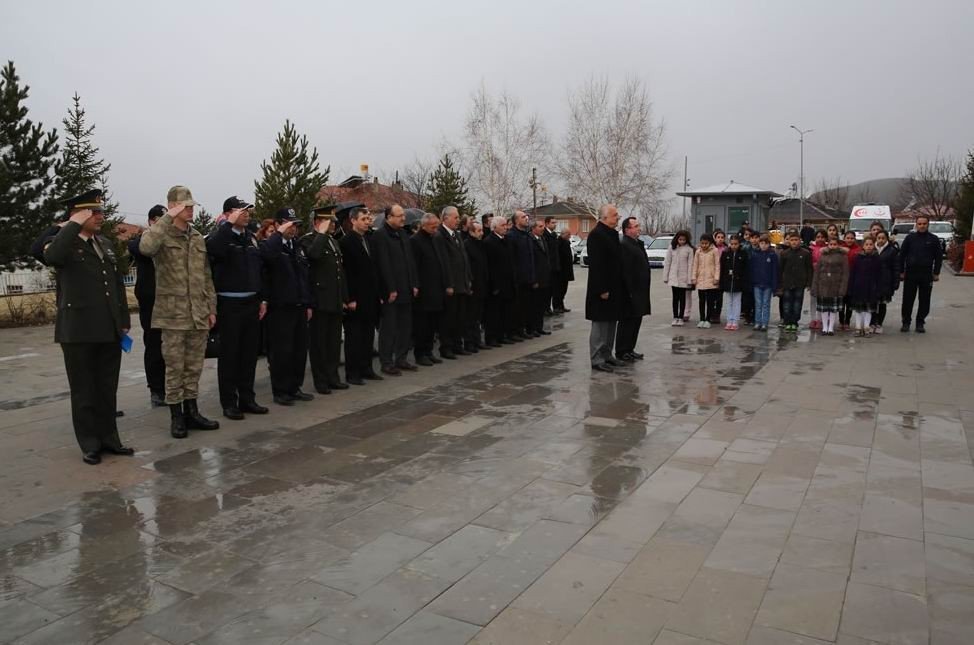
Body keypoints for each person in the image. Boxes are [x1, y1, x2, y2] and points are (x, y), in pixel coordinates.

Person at [43, 189, 134, 465]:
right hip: (79, 330)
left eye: (100, 212)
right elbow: (53, 257)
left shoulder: (104, 243)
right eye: (92, 212)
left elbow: (116, 284)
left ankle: (110, 439)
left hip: (108, 328)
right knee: (83, 390)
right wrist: (71, 225)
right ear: (77, 214)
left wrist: (124, 320)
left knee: (107, 388)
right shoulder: (62, 243)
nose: (99, 217)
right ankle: (90, 443)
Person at [138, 185, 219, 438]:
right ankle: (176, 416)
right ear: (174, 206)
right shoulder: (161, 235)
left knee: (193, 367)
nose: (191, 209)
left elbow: (206, 276)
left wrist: (211, 307)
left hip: (198, 313)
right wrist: (167, 217)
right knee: (174, 367)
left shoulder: (196, 237)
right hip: (173, 316)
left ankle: (192, 411)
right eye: (186, 206)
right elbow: (146, 247)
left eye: (192, 205)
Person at [206, 196, 269, 419]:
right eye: (241, 210)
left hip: (251, 303)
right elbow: (213, 250)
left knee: (249, 354)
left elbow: (259, 270)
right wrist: (227, 224)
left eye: (247, 210)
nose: (246, 213)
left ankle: (247, 398)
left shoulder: (250, 238)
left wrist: (262, 299)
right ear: (229, 213)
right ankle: (229, 402)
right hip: (229, 304)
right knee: (230, 355)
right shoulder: (220, 236)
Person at [259, 208, 314, 405]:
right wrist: (279, 234)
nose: (294, 228)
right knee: (281, 351)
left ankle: (294, 387)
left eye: (296, 224)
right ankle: (281, 391)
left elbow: (304, 276)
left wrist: (307, 302)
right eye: (291, 224)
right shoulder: (271, 245)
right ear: (280, 223)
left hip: (299, 305)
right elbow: (266, 257)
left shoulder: (296, 246)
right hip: (280, 307)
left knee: (299, 350)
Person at [302, 204, 350, 392]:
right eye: (329, 221)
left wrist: (344, 297)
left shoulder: (333, 241)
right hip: (319, 300)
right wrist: (321, 234)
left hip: (334, 299)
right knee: (319, 344)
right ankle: (320, 380)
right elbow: (313, 256)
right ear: (318, 222)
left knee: (333, 342)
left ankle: (333, 377)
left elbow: (340, 271)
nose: (333, 225)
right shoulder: (308, 240)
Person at [372, 203, 419, 375]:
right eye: (399, 215)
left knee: (405, 327)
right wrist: (390, 289)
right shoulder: (380, 236)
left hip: (407, 288)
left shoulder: (403, 234)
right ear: (389, 217)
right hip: (391, 291)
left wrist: (414, 283)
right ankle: (386, 362)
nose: (403, 218)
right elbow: (383, 265)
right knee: (389, 328)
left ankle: (401, 358)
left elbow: (410, 262)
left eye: (403, 215)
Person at [128, 204, 167, 406]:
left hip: (170, 301)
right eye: (162, 219)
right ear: (152, 220)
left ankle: (170, 385)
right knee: (154, 345)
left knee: (171, 346)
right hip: (151, 303)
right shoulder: (139, 242)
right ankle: (156, 389)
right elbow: (142, 250)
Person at [340, 207, 382, 383]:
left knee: (368, 336)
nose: (367, 221)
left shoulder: (370, 239)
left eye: (368, 218)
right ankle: (353, 373)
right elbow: (346, 273)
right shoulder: (346, 242)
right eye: (363, 219)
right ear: (353, 220)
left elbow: (375, 269)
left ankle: (367, 368)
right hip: (356, 298)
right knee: (354, 338)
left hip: (371, 296)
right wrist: (350, 298)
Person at [586, 204, 624, 373]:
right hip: (601, 288)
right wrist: (602, 289)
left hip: (614, 286)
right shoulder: (596, 235)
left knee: (611, 323)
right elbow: (597, 265)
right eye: (615, 215)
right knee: (600, 324)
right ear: (605, 217)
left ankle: (607, 355)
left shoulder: (612, 234)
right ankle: (596, 359)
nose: (618, 217)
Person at [434, 206, 473, 357]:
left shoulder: (456, 235)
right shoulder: (440, 236)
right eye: (455, 217)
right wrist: (448, 284)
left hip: (461, 283)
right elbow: (444, 262)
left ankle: (457, 344)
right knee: (448, 318)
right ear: (445, 218)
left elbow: (464, 258)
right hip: (451, 285)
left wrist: (468, 278)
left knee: (460, 317)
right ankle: (446, 347)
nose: (458, 220)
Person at [410, 213, 446, 365]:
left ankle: (429, 351)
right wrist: (416, 285)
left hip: (436, 288)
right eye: (433, 227)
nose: (436, 229)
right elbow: (414, 266)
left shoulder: (435, 239)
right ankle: (420, 353)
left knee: (432, 323)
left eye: (436, 226)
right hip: (424, 290)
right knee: (422, 324)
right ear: (424, 225)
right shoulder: (415, 241)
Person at [899, 215, 942, 333]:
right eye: (920, 224)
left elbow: (938, 257)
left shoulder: (933, 239)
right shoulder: (910, 238)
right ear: (916, 224)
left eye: (924, 224)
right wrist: (901, 271)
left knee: (924, 300)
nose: (922, 226)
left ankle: (920, 323)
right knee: (908, 299)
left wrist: (936, 272)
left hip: (926, 274)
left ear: (928, 224)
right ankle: (906, 322)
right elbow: (902, 255)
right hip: (911, 273)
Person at [616, 217, 650, 361]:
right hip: (630, 291)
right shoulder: (624, 245)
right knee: (627, 322)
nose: (638, 228)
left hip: (640, 290)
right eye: (635, 226)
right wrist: (629, 290)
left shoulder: (637, 244)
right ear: (627, 230)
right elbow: (626, 271)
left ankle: (630, 348)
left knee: (636, 320)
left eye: (638, 225)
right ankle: (622, 350)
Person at [483, 216, 517, 346]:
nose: (506, 228)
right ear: (494, 227)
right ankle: (492, 337)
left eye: (506, 225)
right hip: (496, 284)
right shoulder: (489, 242)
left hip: (508, 282)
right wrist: (493, 285)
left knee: (506, 312)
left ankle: (503, 335)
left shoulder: (507, 240)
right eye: (503, 225)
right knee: (493, 313)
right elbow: (489, 266)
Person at [777, 230, 814, 332]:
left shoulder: (806, 253)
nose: (794, 242)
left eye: (796, 240)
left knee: (797, 304)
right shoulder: (784, 254)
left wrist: (809, 283)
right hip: (787, 283)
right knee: (787, 304)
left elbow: (809, 269)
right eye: (792, 240)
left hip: (799, 283)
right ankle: (787, 322)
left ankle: (794, 322)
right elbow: (780, 269)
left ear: (800, 241)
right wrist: (780, 283)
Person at [811, 237, 848, 336]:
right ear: (828, 245)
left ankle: (831, 327)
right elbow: (817, 271)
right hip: (823, 285)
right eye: (831, 244)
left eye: (835, 244)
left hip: (836, 285)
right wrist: (815, 286)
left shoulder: (842, 256)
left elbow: (845, 273)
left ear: (838, 245)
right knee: (824, 308)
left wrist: (843, 288)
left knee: (832, 309)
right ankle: (824, 327)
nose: (832, 246)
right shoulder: (823, 255)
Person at [508, 210, 536, 338]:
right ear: (516, 221)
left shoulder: (527, 235)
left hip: (528, 277)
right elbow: (512, 260)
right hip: (518, 278)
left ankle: (526, 328)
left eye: (526, 216)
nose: (526, 218)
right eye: (523, 217)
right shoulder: (512, 236)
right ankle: (516, 330)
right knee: (517, 307)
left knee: (527, 305)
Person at [463, 221, 490, 351]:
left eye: (482, 230)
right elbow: (467, 267)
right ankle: (469, 342)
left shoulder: (481, 244)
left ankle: (477, 340)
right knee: (471, 316)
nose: (481, 233)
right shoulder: (467, 245)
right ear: (471, 232)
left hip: (482, 284)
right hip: (473, 285)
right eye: (478, 231)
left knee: (478, 315)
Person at [848, 235, 882, 337]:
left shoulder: (877, 258)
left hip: (871, 288)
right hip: (858, 287)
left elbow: (880, 274)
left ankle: (866, 328)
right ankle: (858, 328)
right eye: (866, 244)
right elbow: (853, 273)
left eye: (871, 244)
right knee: (858, 309)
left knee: (868, 309)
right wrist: (851, 287)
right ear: (863, 246)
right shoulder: (857, 258)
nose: (868, 246)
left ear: (874, 246)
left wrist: (878, 288)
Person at [663, 231, 694, 326]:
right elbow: (667, 262)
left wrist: (689, 279)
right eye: (680, 239)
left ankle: (681, 317)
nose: (682, 241)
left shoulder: (689, 250)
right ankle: (675, 317)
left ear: (687, 240)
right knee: (675, 299)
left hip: (683, 278)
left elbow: (690, 265)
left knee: (683, 298)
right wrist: (666, 276)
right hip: (673, 278)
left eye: (684, 240)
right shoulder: (671, 248)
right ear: (677, 239)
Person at [527, 220, 552, 336]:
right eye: (540, 226)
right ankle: (532, 328)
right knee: (534, 305)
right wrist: (534, 279)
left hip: (544, 277)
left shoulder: (543, 240)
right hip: (536, 278)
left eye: (543, 226)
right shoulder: (530, 240)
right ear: (533, 228)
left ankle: (539, 327)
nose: (543, 228)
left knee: (542, 304)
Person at [719, 234, 749, 330]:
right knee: (728, 302)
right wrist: (722, 282)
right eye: (732, 244)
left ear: (739, 244)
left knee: (736, 302)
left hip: (738, 282)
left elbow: (745, 270)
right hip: (728, 281)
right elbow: (722, 269)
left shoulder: (743, 254)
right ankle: (729, 320)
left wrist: (744, 282)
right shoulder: (725, 254)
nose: (734, 246)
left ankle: (735, 321)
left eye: (736, 244)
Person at [750, 234, 779, 331]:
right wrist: (752, 282)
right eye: (761, 243)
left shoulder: (772, 255)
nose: (763, 245)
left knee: (766, 304)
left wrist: (774, 285)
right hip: (757, 283)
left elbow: (775, 271)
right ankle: (757, 322)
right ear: (759, 244)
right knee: (758, 304)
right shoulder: (755, 254)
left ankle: (764, 323)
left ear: (769, 244)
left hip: (768, 284)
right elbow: (752, 269)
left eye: (765, 243)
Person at [690, 234, 720, 329]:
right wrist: (694, 277)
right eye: (702, 243)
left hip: (711, 280)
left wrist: (716, 278)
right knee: (701, 301)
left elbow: (717, 265)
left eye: (706, 243)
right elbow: (695, 265)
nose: (704, 245)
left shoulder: (714, 251)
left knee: (710, 301)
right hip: (700, 280)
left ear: (710, 242)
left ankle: (708, 319)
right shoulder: (698, 252)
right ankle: (702, 319)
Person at [874, 229, 900, 334]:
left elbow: (896, 267)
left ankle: (879, 323)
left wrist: (896, 282)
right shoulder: (872, 248)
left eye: (883, 238)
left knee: (882, 304)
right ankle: (872, 323)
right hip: (872, 281)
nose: (881, 240)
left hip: (885, 281)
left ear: (887, 239)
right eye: (879, 238)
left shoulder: (892, 250)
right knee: (872, 304)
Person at [839, 231, 861, 331]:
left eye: (852, 238)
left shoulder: (858, 249)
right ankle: (841, 321)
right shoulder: (840, 249)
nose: (850, 240)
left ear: (855, 239)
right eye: (848, 238)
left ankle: (847, 321)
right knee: (841, 302)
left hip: (853, 279)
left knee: (849, 303)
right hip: (841, 279)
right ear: (844, 238)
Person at [807, 230, 828, 330]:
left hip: (824, 277)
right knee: (813, 299)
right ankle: (813, 319)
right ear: (815, 238)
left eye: (822, 237)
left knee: (821, 299)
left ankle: (819, 319)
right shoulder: (810, 249)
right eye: (818, 237)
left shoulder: (828, 249)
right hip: (813, 276)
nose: (820, 239)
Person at [552, 228, 575, 313]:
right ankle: (556, 306)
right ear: (563, 234)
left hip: (566, 271)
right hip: (560, 271)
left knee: (563, 290)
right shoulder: (559, 243)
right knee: (558, 290)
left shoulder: (566, 242)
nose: (569, 236)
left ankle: (561, 305)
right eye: (568, 235)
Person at [543, 216, 562, 316]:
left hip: (555, 267)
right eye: (553, 223)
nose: (555, 225)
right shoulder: (544, 235)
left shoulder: (554, 235)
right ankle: (546, 308)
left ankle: (552, 307)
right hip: (548, 267)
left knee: (554, 289)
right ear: (547, 224)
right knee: (547, 290)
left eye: (555, 223)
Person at [711, 229, 727, 323]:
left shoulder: (726, 249)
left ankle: (717, 315)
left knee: (719, 297)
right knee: (711, 296)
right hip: (712, 275)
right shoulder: (712, 248)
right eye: (718, 237)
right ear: (715, 238)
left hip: (722, 275)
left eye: (722, 237)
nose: (720, 239)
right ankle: (711, 314)